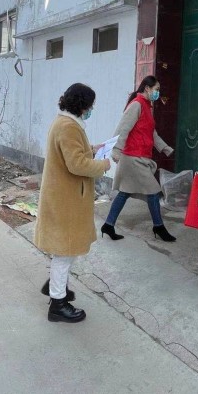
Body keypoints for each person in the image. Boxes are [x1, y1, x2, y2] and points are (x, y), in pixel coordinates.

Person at [34, 83, 111, 323]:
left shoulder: (65, 123)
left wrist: (92, 149)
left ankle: (56, 286)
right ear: (82, 105)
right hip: (65, 200)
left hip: (63, 197)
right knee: (65, 251)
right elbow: (76, 164)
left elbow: (72, 153)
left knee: (64, 250)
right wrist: (104, 164)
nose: (91, 109)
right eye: (90, 105)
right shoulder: (68, 127)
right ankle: (58, 304)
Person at [100, 76, 176, 243]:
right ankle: (158, 227)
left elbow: (152, 133)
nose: (158, 93)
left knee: (125, 192)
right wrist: (116, 150)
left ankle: (108, 225)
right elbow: (123, 128)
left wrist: (165, 148)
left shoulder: (147, 106)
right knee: (153, 191)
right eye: (156, 89)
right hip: (132, 158)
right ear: (147, 88)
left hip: (139, 157)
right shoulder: (137, 105)